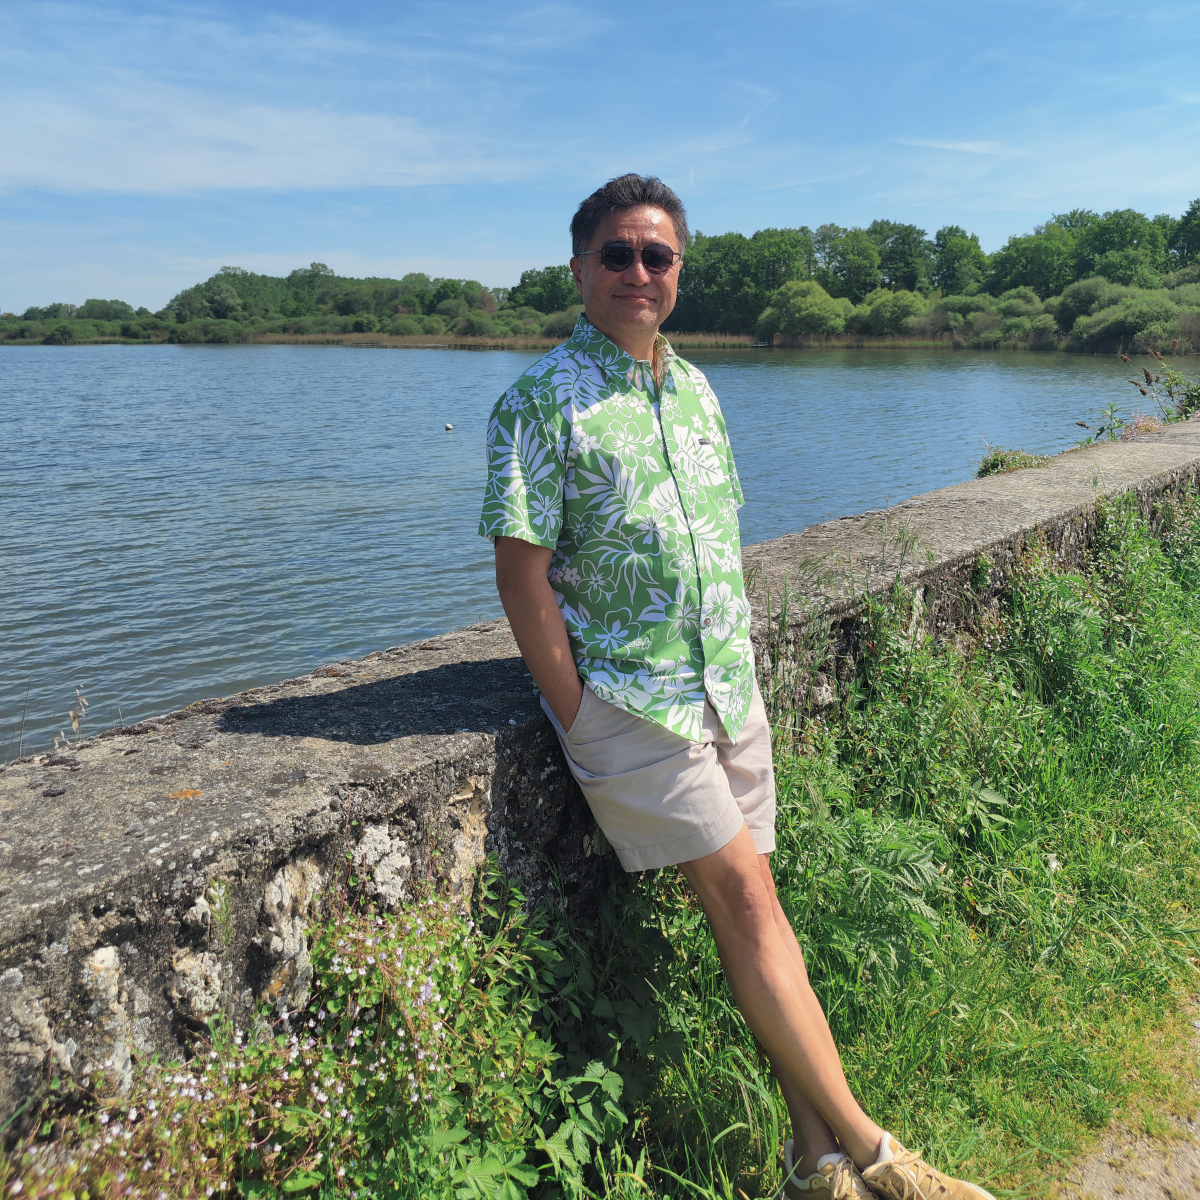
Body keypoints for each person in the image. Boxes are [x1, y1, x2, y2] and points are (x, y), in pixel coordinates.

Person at [479, 173, 995, 1200]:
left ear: (678, 272)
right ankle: (882, 1154)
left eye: (656, 256)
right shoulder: (539, 400)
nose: (637, 272)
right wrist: (577, 712)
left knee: (746, 911)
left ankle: (815, 1161)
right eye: (617, 254)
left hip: (724, 686)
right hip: (633, 700)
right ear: (579, 268)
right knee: (751, 899)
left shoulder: (699, 387)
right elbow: (520, 569)